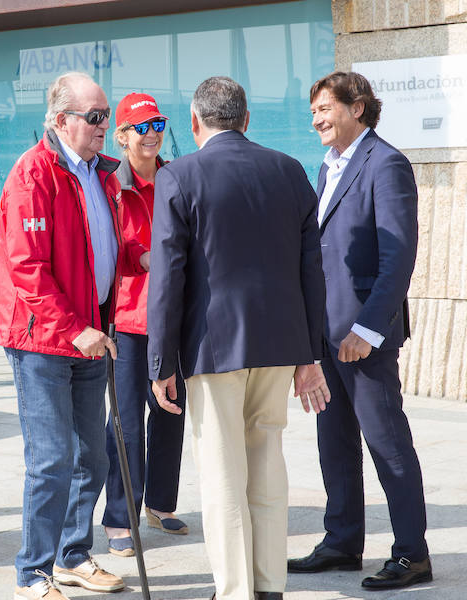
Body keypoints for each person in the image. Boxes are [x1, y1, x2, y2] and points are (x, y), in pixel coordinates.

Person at [147, 76, 330, 600]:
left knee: (223, 474)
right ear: (247, 120)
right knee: (268, 465)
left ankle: (234, 591)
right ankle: (270, 585)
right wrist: (309, 353)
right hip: (278, 345)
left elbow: (168, 279)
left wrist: (161, 362)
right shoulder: (289, 171)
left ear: (195, 123)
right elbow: (311, 270)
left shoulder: (179, 176)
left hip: (212, 347)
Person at [0, 71, 148, 600]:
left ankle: (73, 555)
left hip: (91, 334)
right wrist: (74, 328)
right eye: (96, 117)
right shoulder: (32, 174)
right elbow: (25, 267)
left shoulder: (103, 172)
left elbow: (101, 244)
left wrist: (140, 257)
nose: (106, 126)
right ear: (61, 120)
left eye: (106, 116)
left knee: (94, 457)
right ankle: (33, 571)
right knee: (52, 459)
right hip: (45, 340)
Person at [287, 71, 431, 591]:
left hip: (362, 337)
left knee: (386, 443)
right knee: (335, 442)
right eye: (313, 113)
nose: (317, 120)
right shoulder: (328, 167)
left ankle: (412, 554)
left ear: (359, 108)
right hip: (325, 334)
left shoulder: (385, 163)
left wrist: (367, 329)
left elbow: (398, 257)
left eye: (325, 109)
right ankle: (343, 542)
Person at [102, 92, 188, 559]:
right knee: (128, 422)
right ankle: (119, 516)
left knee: (171, 412)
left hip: (172, 316)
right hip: (127, 319)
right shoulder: (109, 184)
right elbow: (102, 246)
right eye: (141, 127)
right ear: (122, 136)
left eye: (157, 124)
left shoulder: (176, 177)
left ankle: (159, 501)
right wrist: (140, 255)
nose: (152, 134)